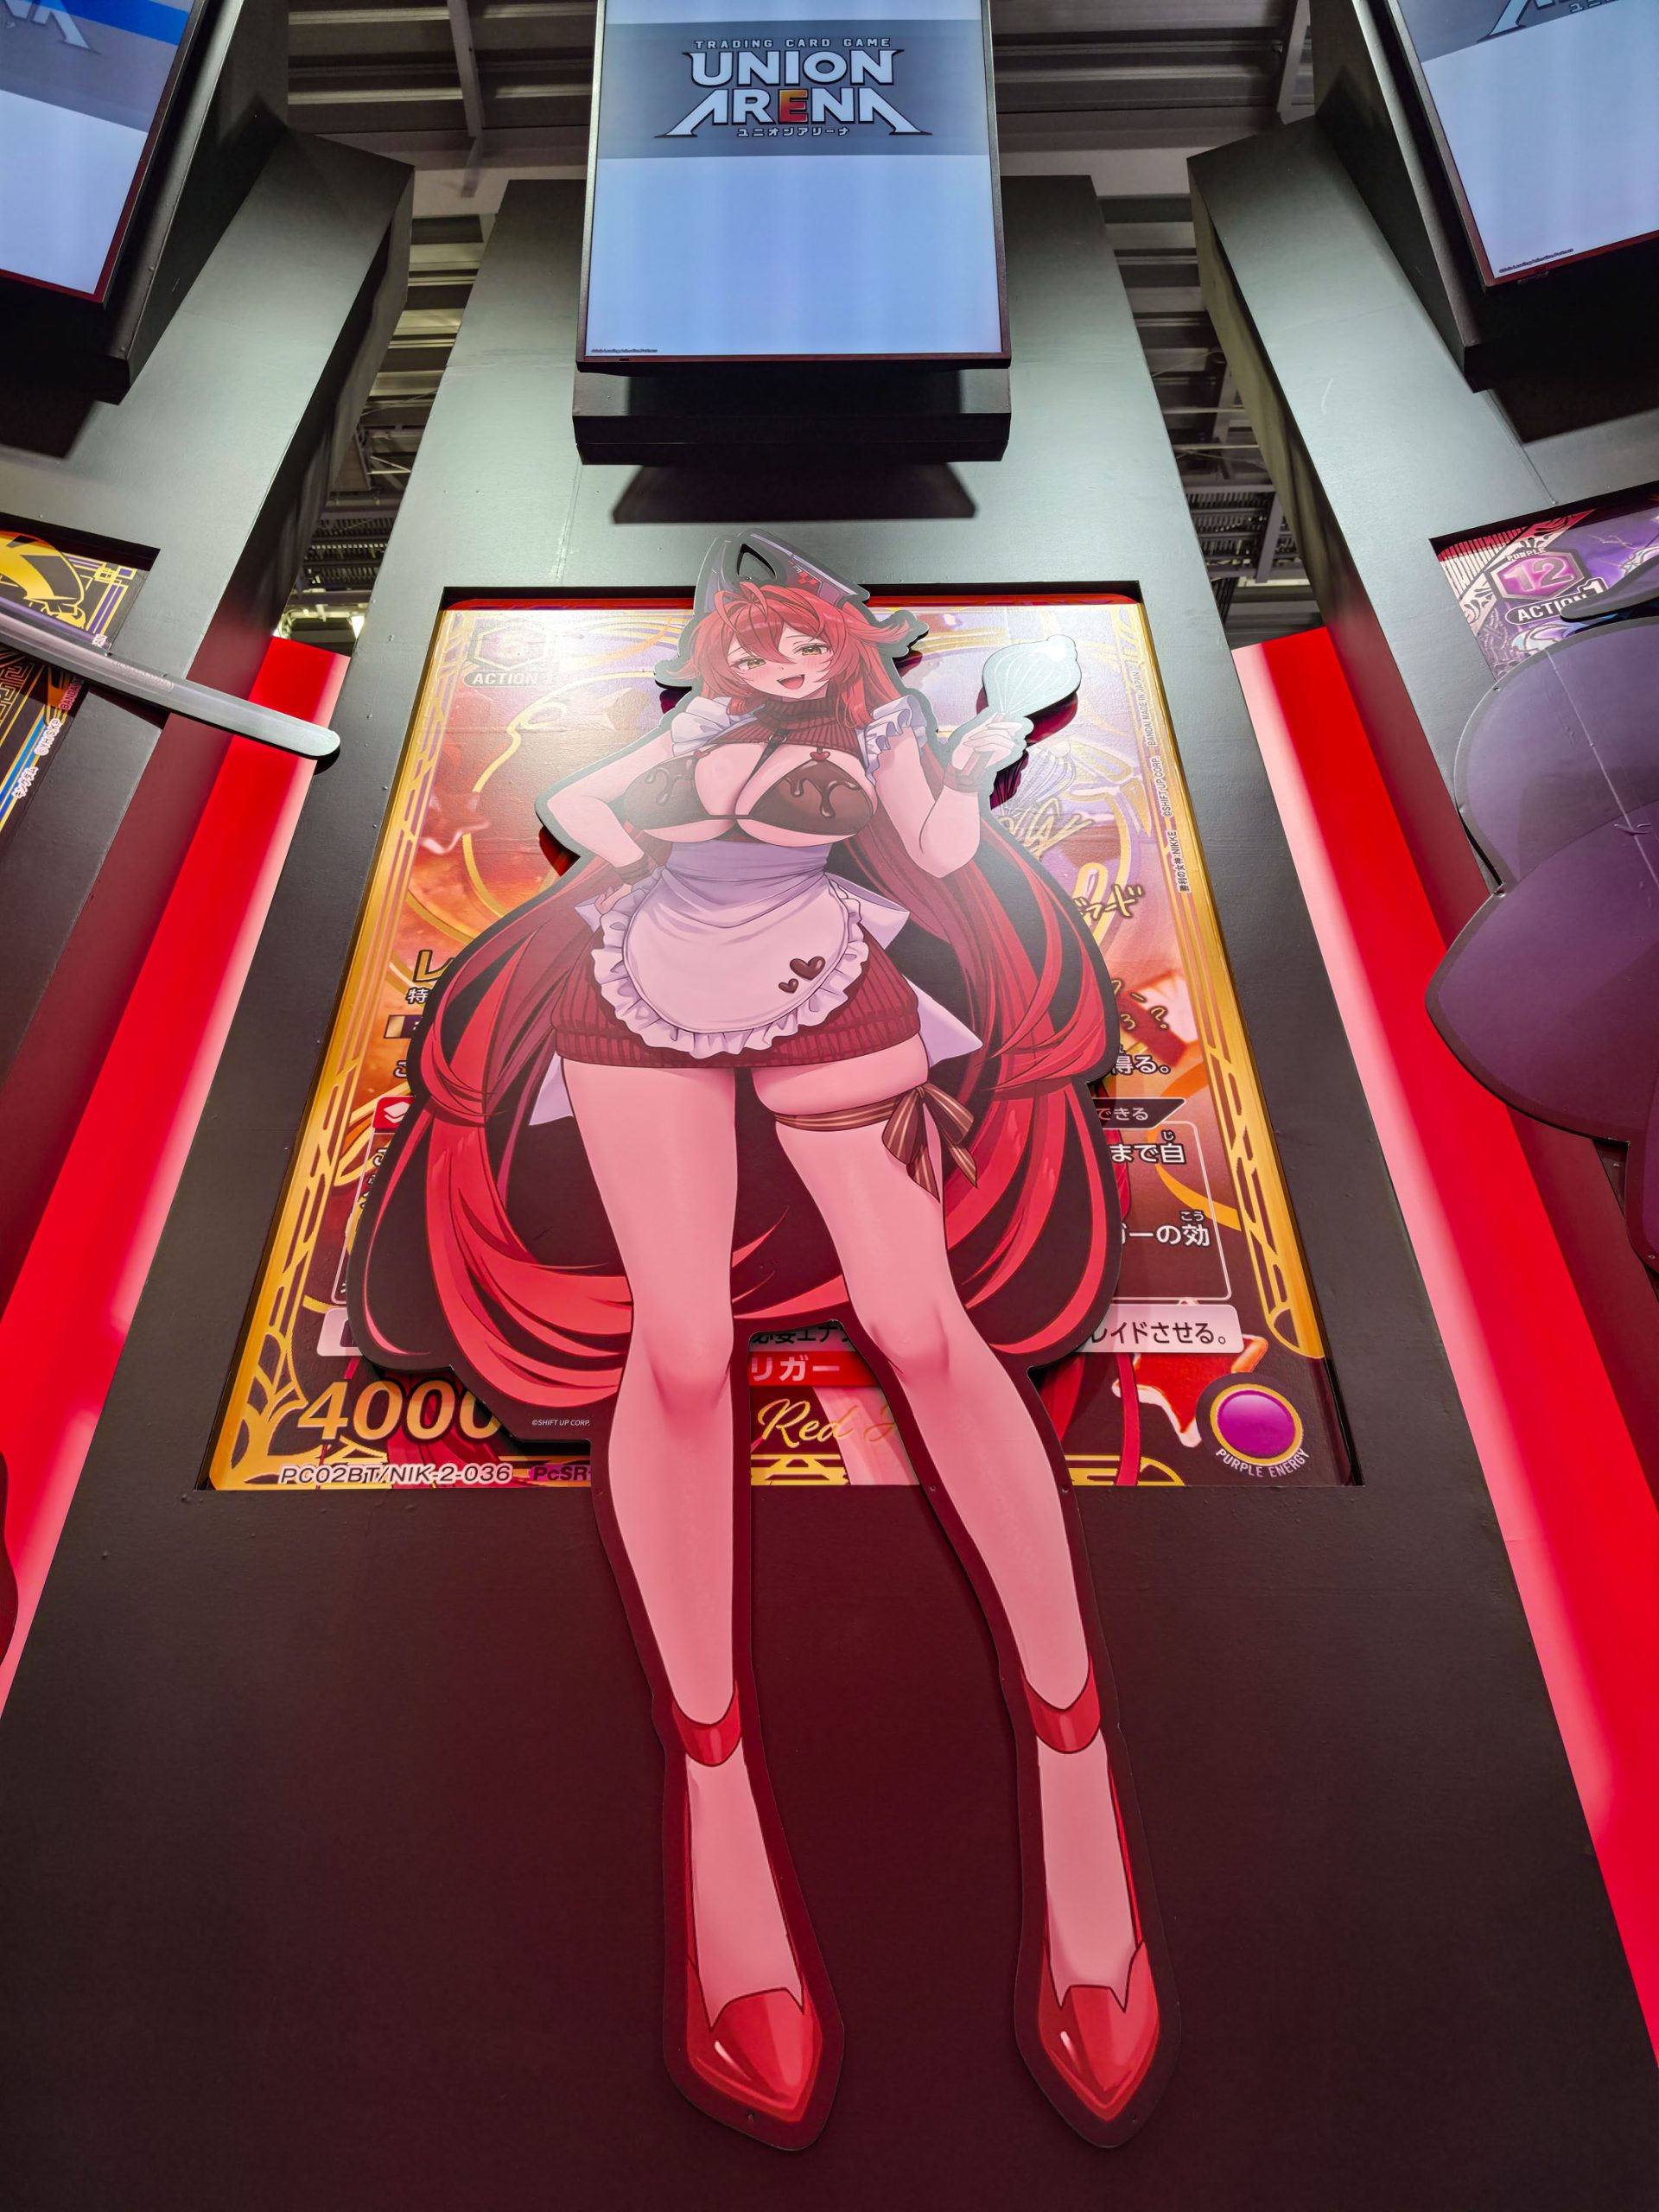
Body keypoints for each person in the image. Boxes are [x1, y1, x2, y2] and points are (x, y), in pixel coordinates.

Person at [348, 535, 1171, 2148]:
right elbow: (581, 811)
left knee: (918, 1324)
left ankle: (1079, 1779)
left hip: (824, 980)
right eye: (760, 651)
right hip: (635, 986)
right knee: (677, 1353)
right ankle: (716, 1805)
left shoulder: (885, 730)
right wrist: (674, 825)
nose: (785, 669)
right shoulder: (699, 730)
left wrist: (948, 759)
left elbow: (937, 844)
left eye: (808, 651)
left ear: (847, 656)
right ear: (725, 657)